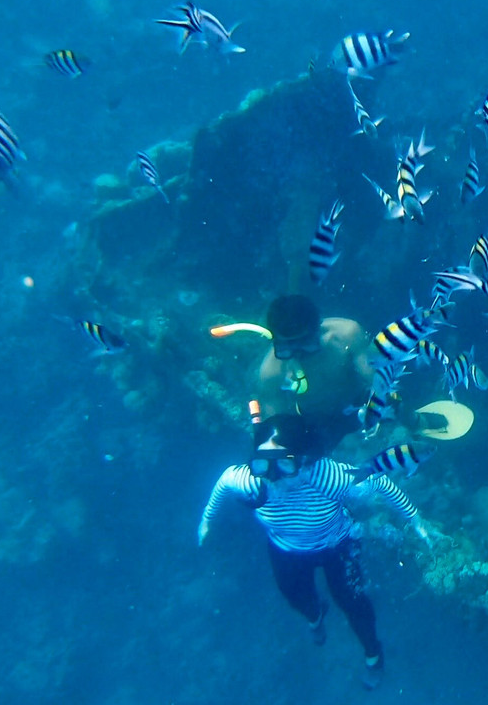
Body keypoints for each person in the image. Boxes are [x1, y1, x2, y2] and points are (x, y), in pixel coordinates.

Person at [198, 413, 428, 689]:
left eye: (283, 463)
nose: (272, 475)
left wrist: (416, 520)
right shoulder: (253, 482)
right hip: (286, 549)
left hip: (337, 544)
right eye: (262, 463)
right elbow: (224, 481)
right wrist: (207, 520)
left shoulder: (328, 478)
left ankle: (373, 655)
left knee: (355, 605)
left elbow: (379, 482)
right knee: (297, 600)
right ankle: (315, 615)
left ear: (305, 460)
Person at [257, 294, 376, 455]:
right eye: (288, 346)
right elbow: (277, 428)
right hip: (315, 427)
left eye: (305, 343)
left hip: (362, 406)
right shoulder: (271, 373)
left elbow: (379, 381)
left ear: (317, 329)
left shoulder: (347, 335)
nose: (298, 353)